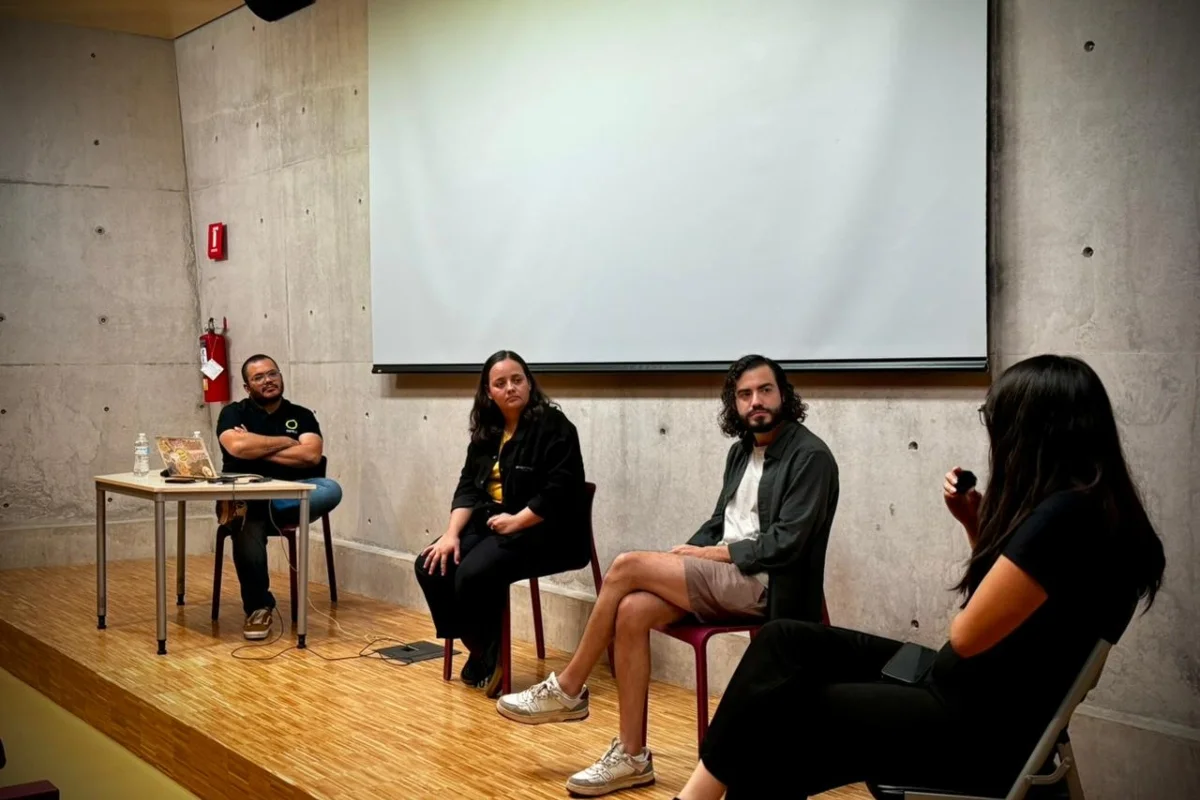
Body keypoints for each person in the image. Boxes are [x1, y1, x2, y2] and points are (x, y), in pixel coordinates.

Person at [673, 354, 1167, 799]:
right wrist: (975, 522)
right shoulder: (1098, 510)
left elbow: (969, 635)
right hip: (971, 692)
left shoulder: (1061, 520)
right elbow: (1022, 610)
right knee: (784, 641)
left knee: (787, 713)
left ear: (1032, 432)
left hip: (971, 719)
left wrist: (993, 538)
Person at [496, 355, 839, 797]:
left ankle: (568, 688)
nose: (756, 402)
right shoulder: (741, 452)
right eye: (745, 394)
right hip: (726, 574)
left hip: (766, 585)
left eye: (765, 391)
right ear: (734, 404)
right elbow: (720, 521)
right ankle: (632, 757)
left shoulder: (810, 456)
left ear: (784, 394)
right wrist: (685, 556)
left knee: (626, 565)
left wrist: (707, 556)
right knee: (633, 610)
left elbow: (787, 543)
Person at [415, 350, 591, 697]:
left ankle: (486, 652)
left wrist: (518, 522)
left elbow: (560, 491)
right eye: (500, 383)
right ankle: (483, 648)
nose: (510, 387)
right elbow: (468, 487)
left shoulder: (555, 427)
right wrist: (451, 534)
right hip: (493, 522)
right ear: (488, 392)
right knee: (430, 564)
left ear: (529, 383)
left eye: (517, 379)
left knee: (472, 573)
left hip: (547, 529)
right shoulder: (487, 432)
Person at [215, 354, 343, 640]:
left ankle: (272, 505)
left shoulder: (301, 415)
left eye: (272, 374)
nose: (268, 380)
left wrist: (256, 445)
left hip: (288, 498)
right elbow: (236, 447)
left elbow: (311, 454)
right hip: (244, 500)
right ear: (247, 387)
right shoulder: (232, 413)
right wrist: (287, 442)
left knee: (331, 488)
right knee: (248, 519)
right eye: (259, 377)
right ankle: (259, 608)